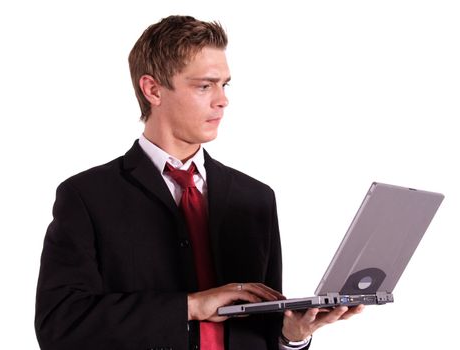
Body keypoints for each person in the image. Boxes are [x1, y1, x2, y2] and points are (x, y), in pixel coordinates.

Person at [34, 15, 364, 350]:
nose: (222, 100)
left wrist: (292, 335)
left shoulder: (255, 198)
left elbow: (261, 334)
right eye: (205, 86)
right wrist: (190, 306)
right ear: (153, 89)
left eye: (225, 84)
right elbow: (59, 324)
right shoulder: (89, 196)